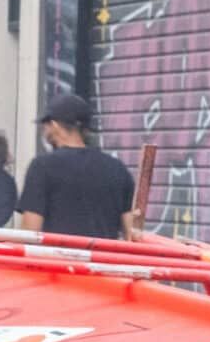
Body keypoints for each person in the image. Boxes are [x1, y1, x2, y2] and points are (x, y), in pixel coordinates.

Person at [15, 92, 136, 241]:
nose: (44, 130)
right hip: (102, 256)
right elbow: (131, 234)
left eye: (45, 125)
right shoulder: (117, 169)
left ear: (54, 125)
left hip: (57, 256)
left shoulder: (41, 167)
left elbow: (29, 232)